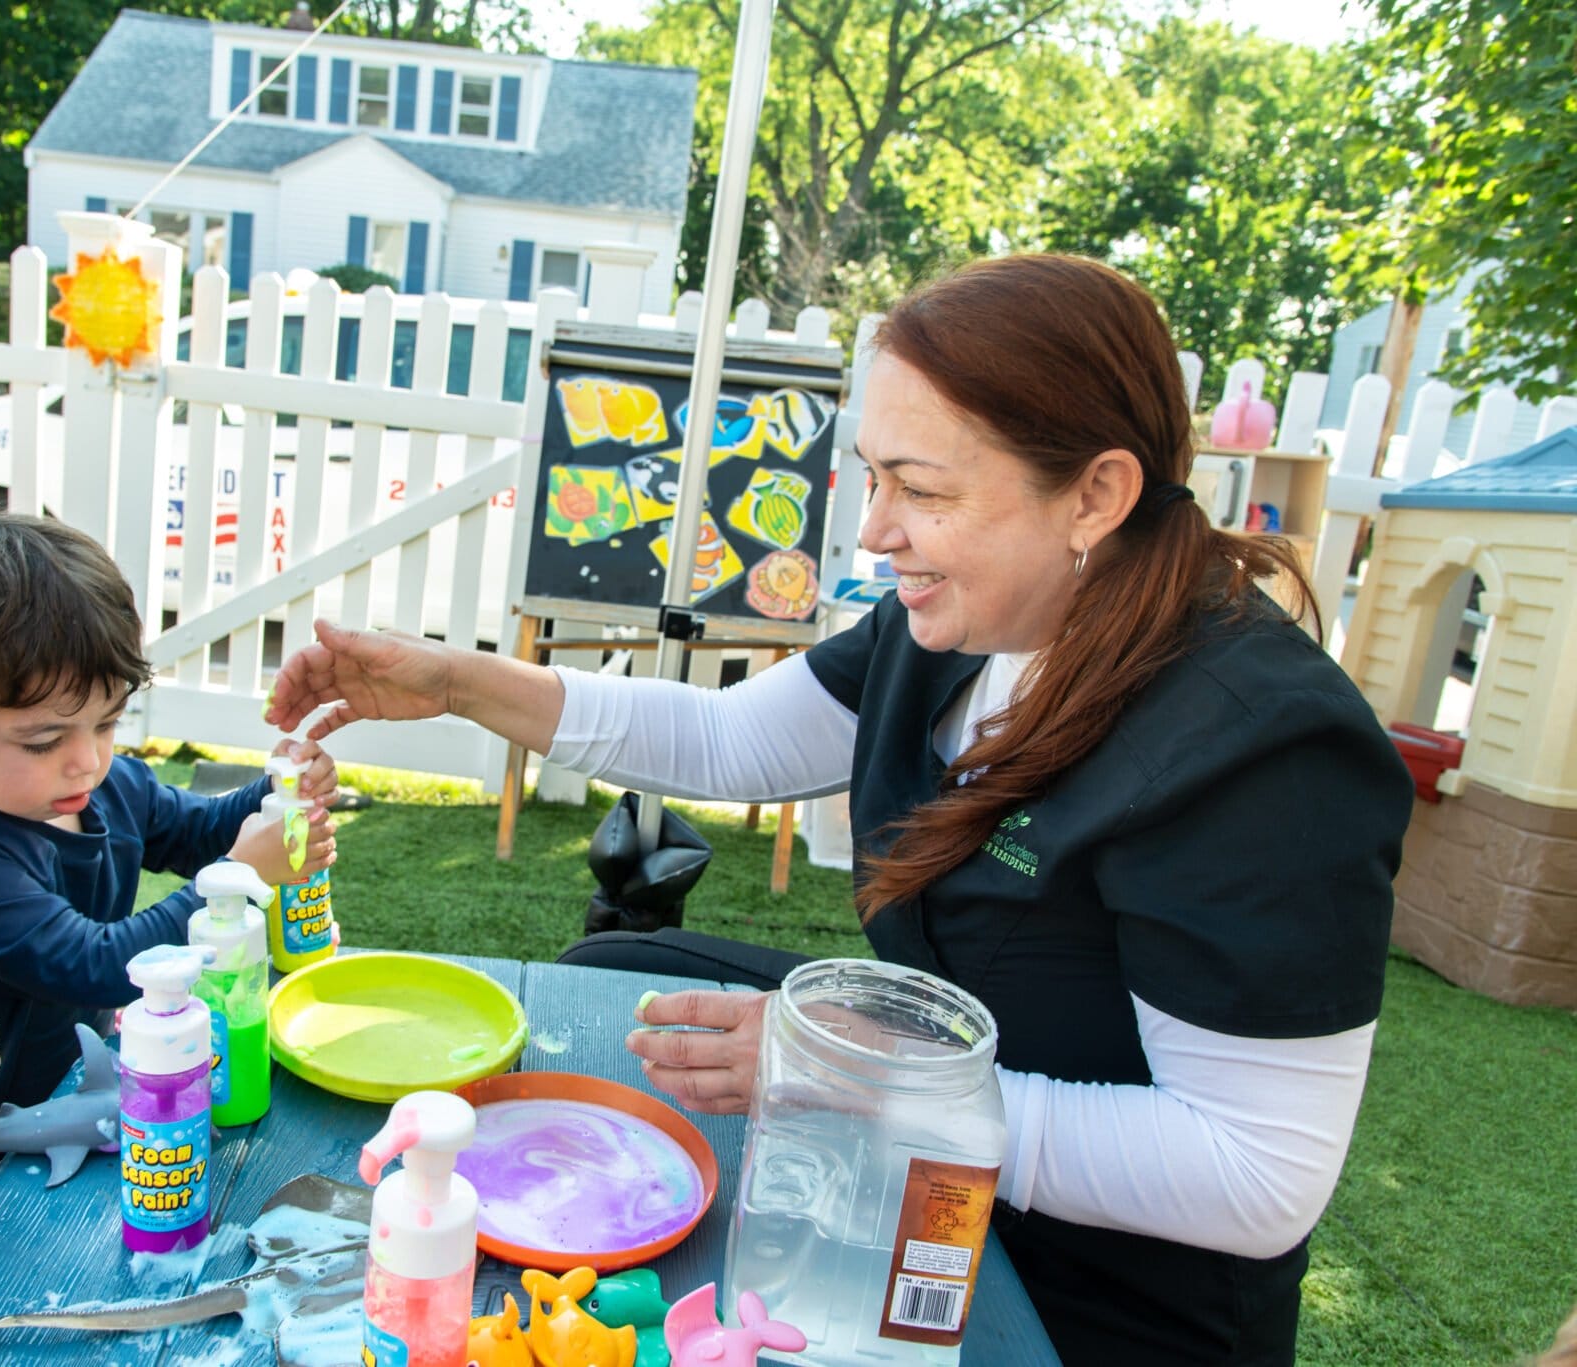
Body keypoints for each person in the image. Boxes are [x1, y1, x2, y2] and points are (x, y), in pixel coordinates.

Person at [265, 254, 1415, 1365]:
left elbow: (1252, 1174)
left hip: (1084, 1298)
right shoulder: (967, 626)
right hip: (903, 1203)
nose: (870, 529)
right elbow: (729, 735)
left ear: (1095, 494)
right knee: (626, 964)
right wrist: (453, 680)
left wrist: (850, 1080)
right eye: (872, 476)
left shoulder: (1263, 750)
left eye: (919, 488)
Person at [0, 514, 337, 1260]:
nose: (86, 760)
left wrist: (275, 798)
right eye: (44, 739)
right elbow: (94, 961)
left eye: (108, 721)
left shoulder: (107, 784)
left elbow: (196, 831)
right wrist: (243, 874)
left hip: (86, 1105)